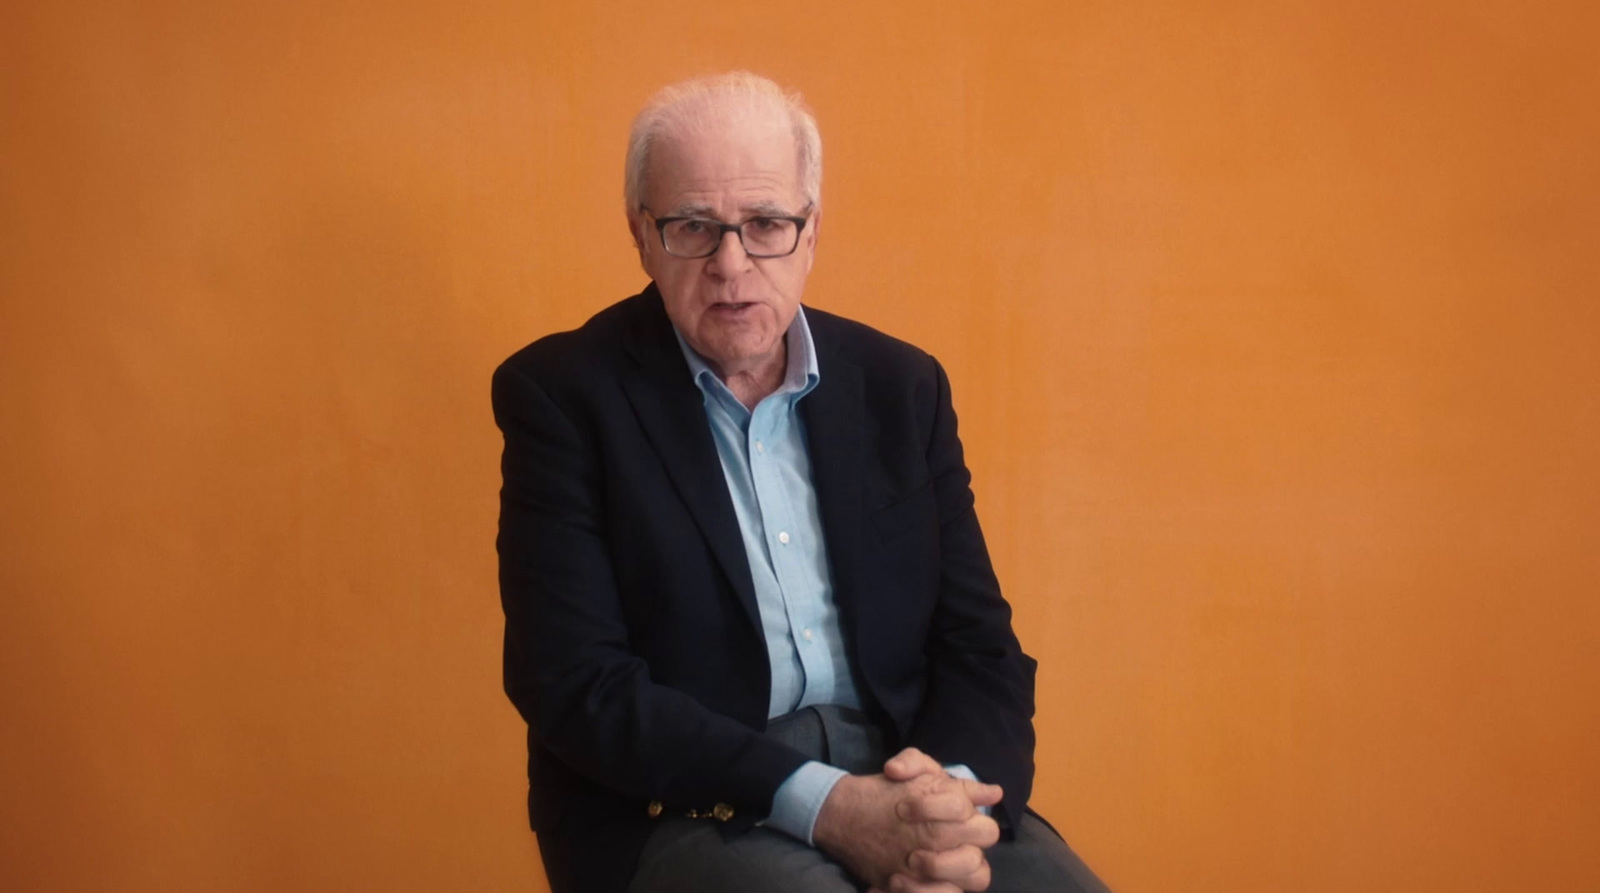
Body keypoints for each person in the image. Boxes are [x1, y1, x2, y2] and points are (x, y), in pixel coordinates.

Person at [492, 71, 1110, 893]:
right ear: (642, 234)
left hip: (906, 775)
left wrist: (944, 805)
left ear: (811, 229)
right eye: (693, 227)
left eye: (766, 223)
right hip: (682, 803)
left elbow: (979, 645)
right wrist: (826, 806)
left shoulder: (902, 386)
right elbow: (575, 682)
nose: (731, 264)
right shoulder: (564, 395)